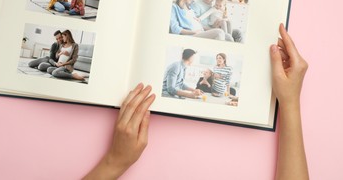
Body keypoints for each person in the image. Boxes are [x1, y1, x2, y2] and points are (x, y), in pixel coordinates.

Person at [83, 24, 309, 180]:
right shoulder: (179, 67)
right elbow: (173, 88)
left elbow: (191, 84)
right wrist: (289, 104)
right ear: (187, 58)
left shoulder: (199, 68)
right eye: (193, 61)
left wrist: (115, 162)